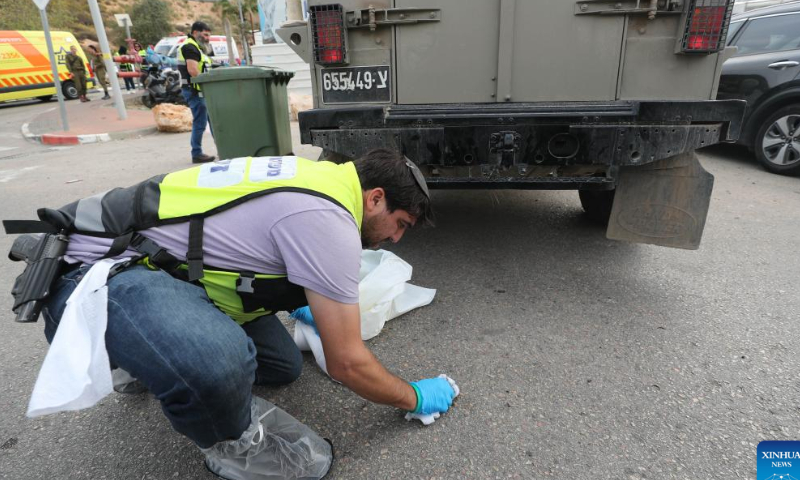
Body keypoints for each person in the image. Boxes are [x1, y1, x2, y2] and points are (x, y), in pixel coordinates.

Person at [28, 150, 454, 480]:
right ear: (375, 198)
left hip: (172, 269)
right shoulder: (329, 219)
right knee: (220, 363)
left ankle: (155, 351)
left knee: (281, 365)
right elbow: (346, 363)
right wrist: (413, 397)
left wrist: (305, 302)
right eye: (401, 224)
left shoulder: (322, 179)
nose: (395, 238)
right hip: (98, 271)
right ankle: (214, 435)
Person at [178, 21, 216, 164]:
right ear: (195, 32)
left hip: (202, 90)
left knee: (213, 120)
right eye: (205, 34)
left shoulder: (199, 48)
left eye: (209, 35)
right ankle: (197, 153)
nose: (208, 38)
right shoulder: (190, 47)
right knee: (200, 123)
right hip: (194, 90)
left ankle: (223, 147)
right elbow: (193, 71)